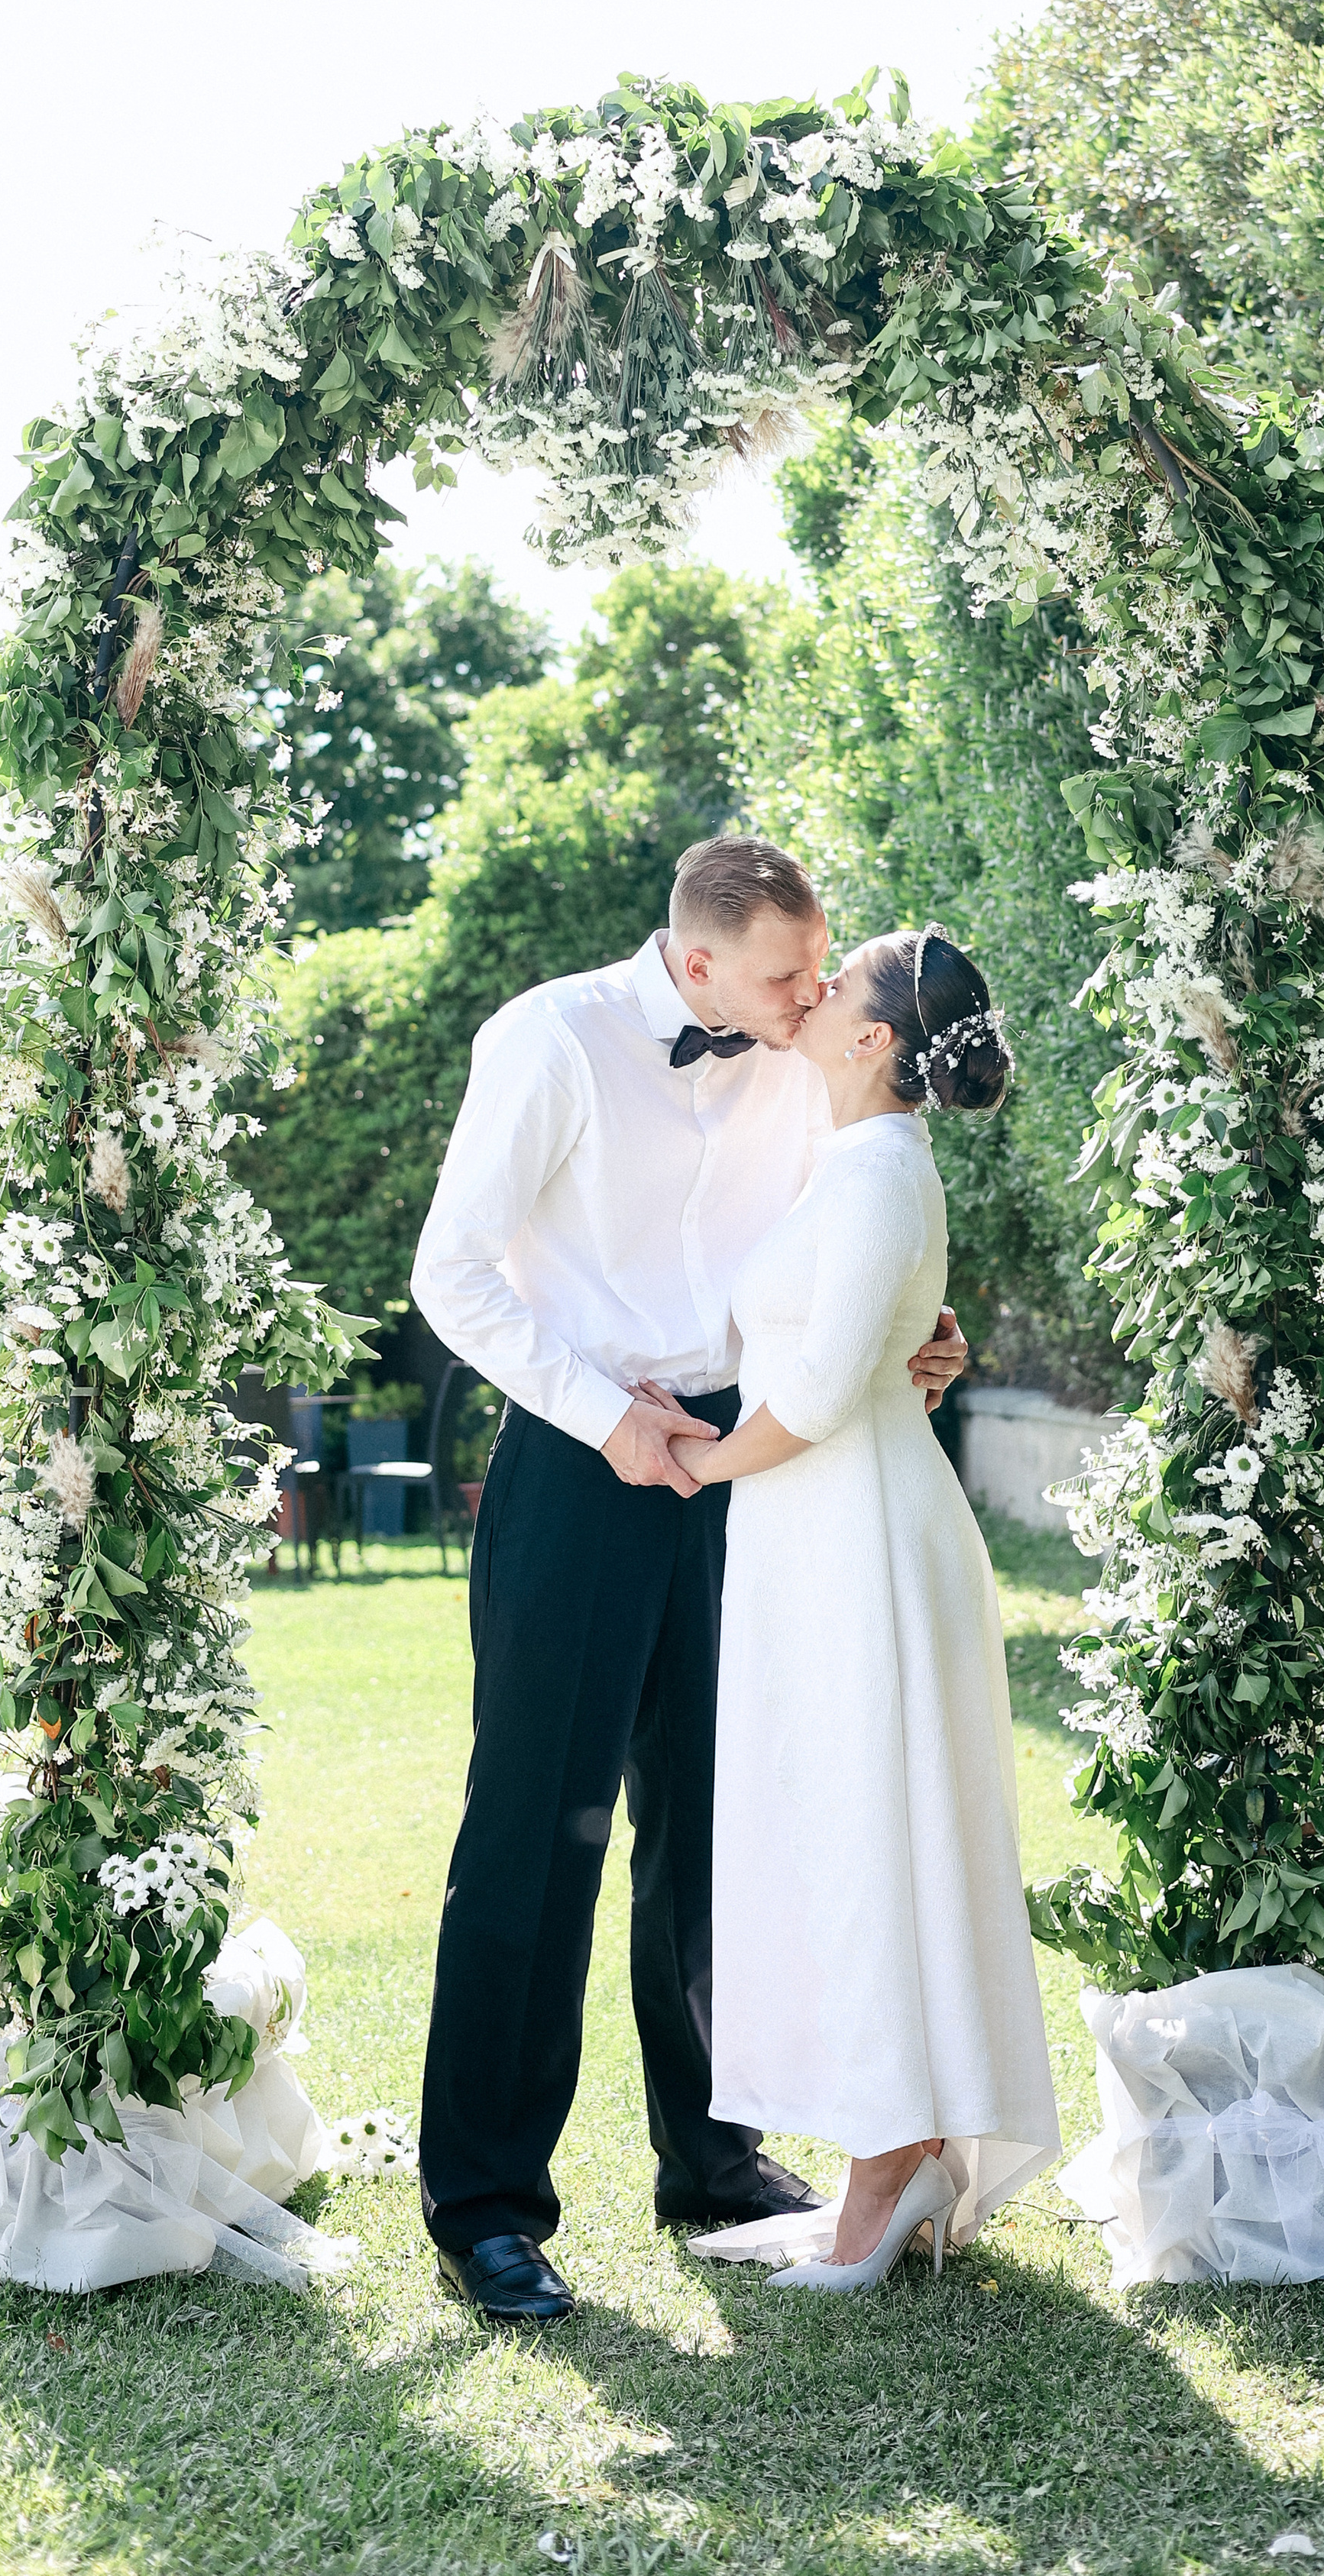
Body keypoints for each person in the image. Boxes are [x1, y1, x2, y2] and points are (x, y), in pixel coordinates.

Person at [409, 839, 970, 2322]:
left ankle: (711, 2159)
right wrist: (608, 1417)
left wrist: (915, 1327)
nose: (807, 1000)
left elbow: (840, 1229)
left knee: (717, 1827)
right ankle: (485, 2208)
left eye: (816, 972)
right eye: (787, 975)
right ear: (697, 960)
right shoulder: (548, 1039)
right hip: (581, 1451)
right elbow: (450, 1273)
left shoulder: (800, 1048)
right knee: (534, 1830)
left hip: (754, 1464)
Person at [674, 925, 1060, 2293]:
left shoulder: (887, 1171)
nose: (813, 991)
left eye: (836, 984)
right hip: (809, 1542)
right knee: (831, 1839)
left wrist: (696, 1457)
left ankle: (890, 2171)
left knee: (867, 1838)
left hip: (862, 1545)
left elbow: (829, 1386)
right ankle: (884, 2146)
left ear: (876, 1038)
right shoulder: (847, 1154)